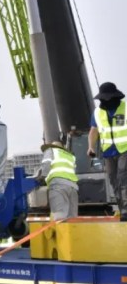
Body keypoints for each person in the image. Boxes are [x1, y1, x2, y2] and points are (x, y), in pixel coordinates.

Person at [88, 81, 127, 221]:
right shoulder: (98, 113)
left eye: (108, 98)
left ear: (114, 96)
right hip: (108, 152)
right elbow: (93, 132)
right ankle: (123, 209)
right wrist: (91, 147)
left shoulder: (125, 108)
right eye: (103, 98)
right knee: (114, 180)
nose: (105, 100)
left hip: (125, 149)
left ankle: (126, 210)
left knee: (123, 178)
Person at [40, 141, 79, 220]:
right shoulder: (70, 156)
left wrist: (42, 178)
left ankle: (61, 232)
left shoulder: (50, 150)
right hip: (73, 187)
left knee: (59, 216)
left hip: (58, 185)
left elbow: (46, 164)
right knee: (72, 218)